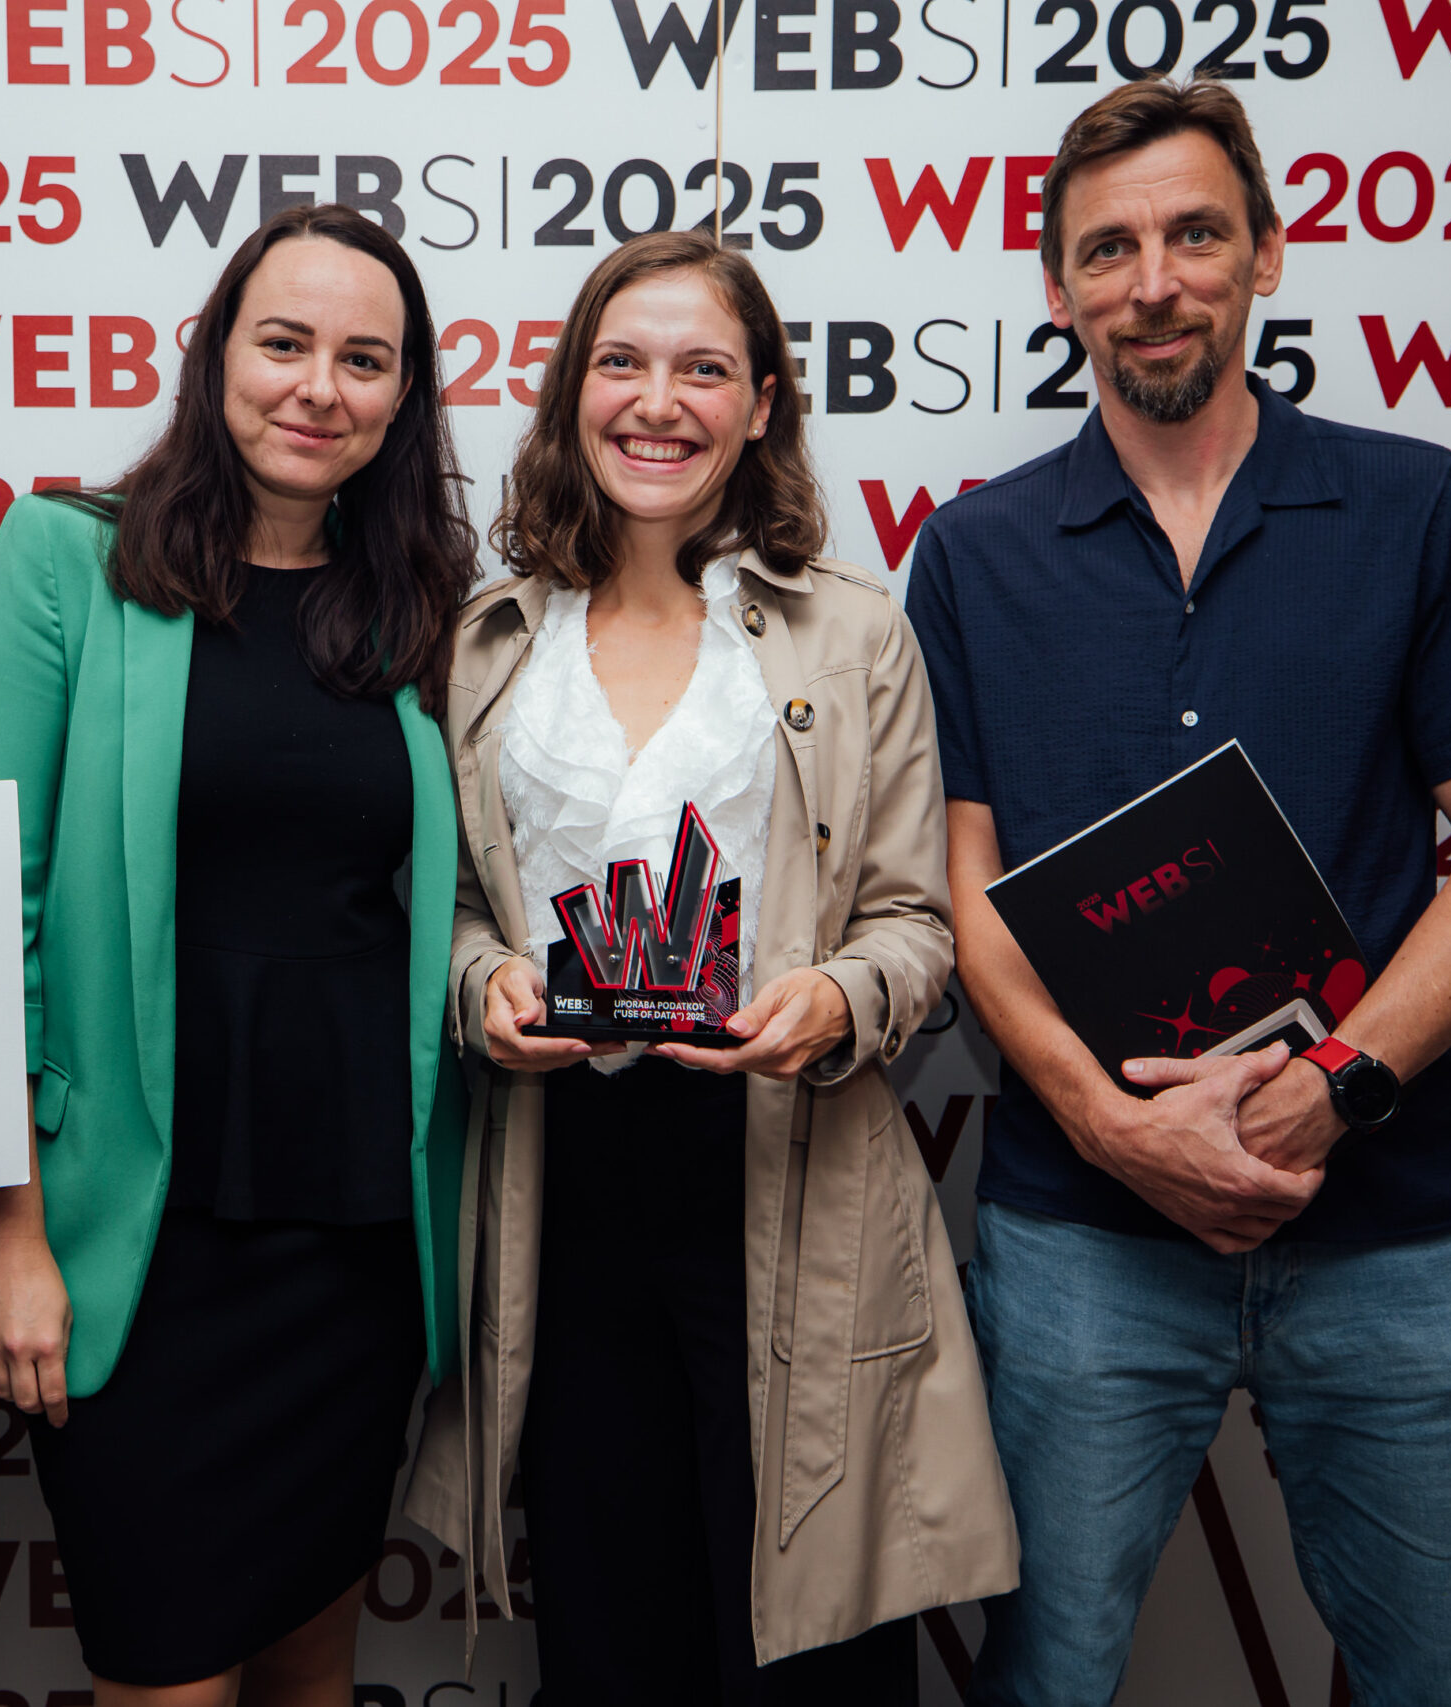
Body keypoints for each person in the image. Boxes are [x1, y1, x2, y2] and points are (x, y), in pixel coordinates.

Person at [903, 76, 1451, 1706]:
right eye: (1109, 249)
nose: (1155, 284)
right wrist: (1110, 1124)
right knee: (1048, 1676)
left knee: (1437, 1678)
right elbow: (965, 890)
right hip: (1083, 1235)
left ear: (1267, 253)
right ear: (1057, 289)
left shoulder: (1418, 507)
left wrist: (1333, 1091)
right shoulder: (976, 553)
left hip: (1390, 1222)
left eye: (1197, 235)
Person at [402, 230, 1019, 1702]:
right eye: (621, 362)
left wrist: (837, 999)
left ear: (761, 405)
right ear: (573, 391)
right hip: (558, 1187)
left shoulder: (854, 632)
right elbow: (448, 905)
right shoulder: (487, 639)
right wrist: (480, 987)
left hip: (787, 1173)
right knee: (610, 1643)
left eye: (703, 369)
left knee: (807, 1652)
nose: (657, 401)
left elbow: (916, 924)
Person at [0, 203, 479, 1707]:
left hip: (356, 1238)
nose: (320, 387)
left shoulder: (424, 601)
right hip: (136, 1237)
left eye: (364, 359)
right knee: (166, 1671)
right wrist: (6, 1232)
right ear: (213, 354)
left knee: (314, 1666)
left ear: (403, 395)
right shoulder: (66, 558)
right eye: (284, 343)